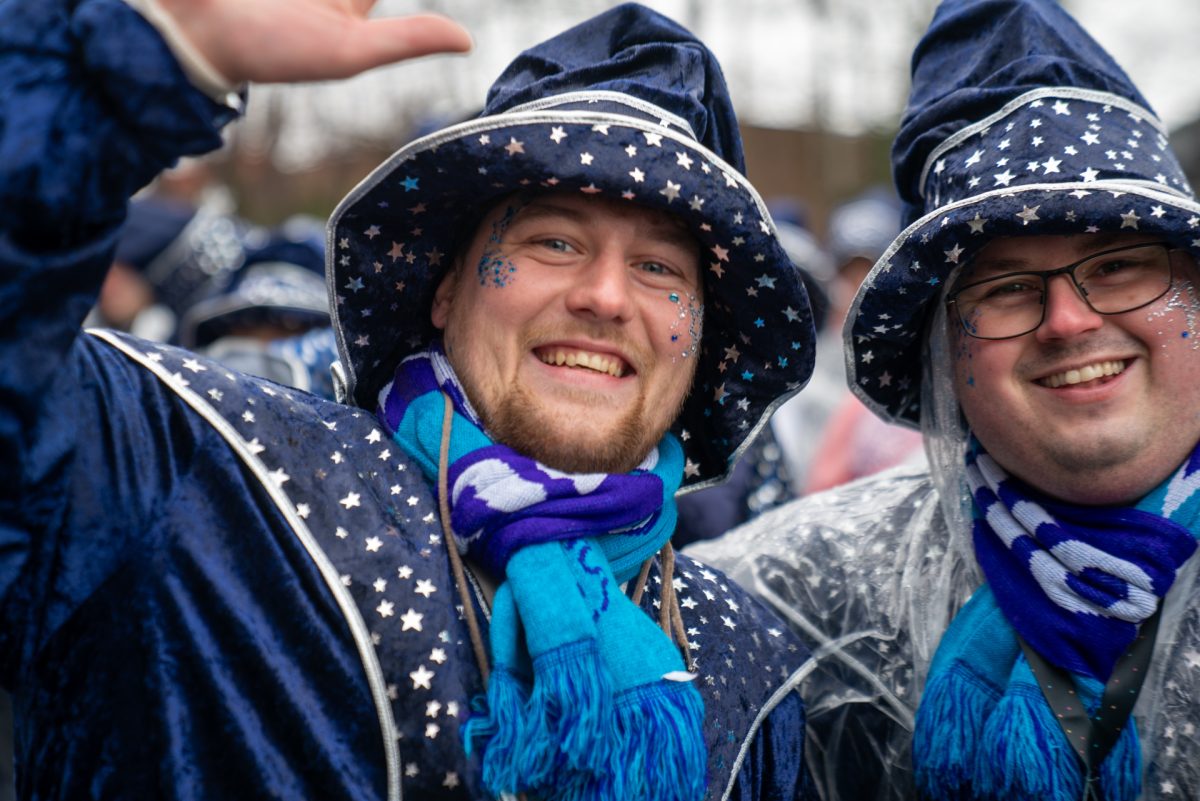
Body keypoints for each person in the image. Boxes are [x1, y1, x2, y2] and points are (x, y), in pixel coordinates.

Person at [0, 1, 820, 800]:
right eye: (555, 241)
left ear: (699, 338)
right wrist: (125, 62)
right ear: (444, 288)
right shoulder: (211, 487)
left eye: (659, 268)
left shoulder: (750, 668)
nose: (606, 297)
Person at [691, 0, 1200, 799]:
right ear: (942, 352)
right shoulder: (794, 602)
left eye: (1118, 266)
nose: (1069, 321)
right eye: (1006, 287)